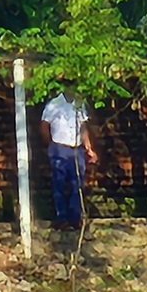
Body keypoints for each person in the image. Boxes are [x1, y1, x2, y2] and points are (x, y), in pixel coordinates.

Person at [40, 83, 96, 230]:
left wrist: (88, 147)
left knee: (77, 183)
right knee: (58, 183)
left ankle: (75, 217)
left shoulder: (79, 103)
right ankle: (62, 217)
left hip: (76, 149)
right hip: (59, 148)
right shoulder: (54, 105)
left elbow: (83, 126)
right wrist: (51, 144)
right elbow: (44, 126)